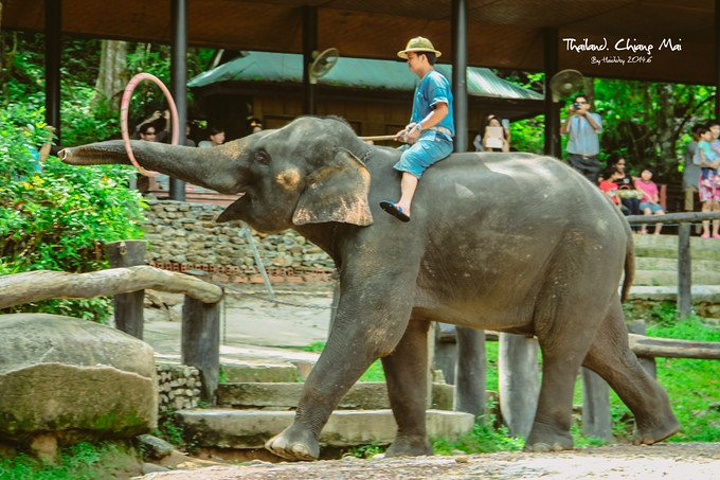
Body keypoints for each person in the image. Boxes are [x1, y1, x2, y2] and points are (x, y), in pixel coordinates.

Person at [379, 36, 454, 222]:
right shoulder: (423, 82)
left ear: (423, 57)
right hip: (425, 136)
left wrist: (419, 127)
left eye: (410, 57)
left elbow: (442, 110)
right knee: (391, 157)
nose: (408, 62)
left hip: (437, 139)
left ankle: (404, 206)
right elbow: (420, 122)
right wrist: (409, 131)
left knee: (410, 158)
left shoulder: (435, 79)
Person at [561, 94, 603, 184]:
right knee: (575, 185)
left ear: (588, 106)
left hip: (591, 158)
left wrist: (585, 114)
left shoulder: (595, 116)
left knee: (593, 186)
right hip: (575, 158)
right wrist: (569, 115)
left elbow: (597, 128)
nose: (579, 105)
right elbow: (563, 132)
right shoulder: (572, 118)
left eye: (582, 103)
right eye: (577, 103)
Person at [696, 125, 720, 238]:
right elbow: (696, 161)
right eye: (713, 129)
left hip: (718, 177)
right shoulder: (702, 144)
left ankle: (715, 232)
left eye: (718, 129)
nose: (716, 131)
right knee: (707, 203)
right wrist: (710, 164)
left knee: (717, 204)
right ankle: (706, 231)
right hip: (706, 176)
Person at [634, 167, 665, 235]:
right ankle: (643, 230)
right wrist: (648, 197)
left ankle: (657, 232)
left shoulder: (653, 184)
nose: (646, 174)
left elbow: (656, 195)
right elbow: (639, 190)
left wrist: (655, 200)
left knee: (662, 214)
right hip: (643, 202)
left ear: (652, 175)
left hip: (652, 203)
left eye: (648, 173)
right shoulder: (638, 182)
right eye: (644, 172)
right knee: (648, 212)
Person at [683, 124, 703, 212]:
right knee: (689, 197)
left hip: (703, 177)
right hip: (691, 176)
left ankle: (700, 224)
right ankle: (687, 221)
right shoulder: (692, 145)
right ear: (694, 134)